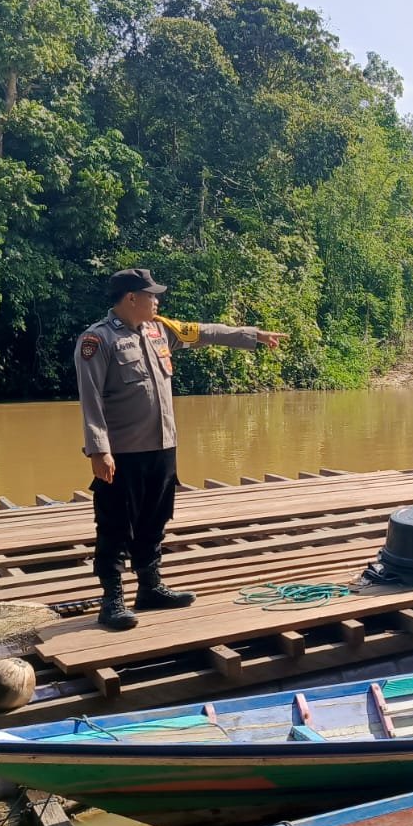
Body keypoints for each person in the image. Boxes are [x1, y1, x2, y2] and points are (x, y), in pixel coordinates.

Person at [74, 267, 286, 630]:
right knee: (115, 526)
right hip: (122, 453)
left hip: (162, 447)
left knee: (155, 519)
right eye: (151, 295)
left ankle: (150, 588)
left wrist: (252, 336)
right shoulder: (98, 341)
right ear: (131, 299)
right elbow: (90, 399)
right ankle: (112, 601)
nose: (157, 300)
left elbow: (206, 332)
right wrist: (99, 450)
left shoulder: (160, 330)